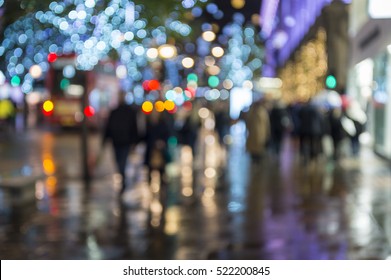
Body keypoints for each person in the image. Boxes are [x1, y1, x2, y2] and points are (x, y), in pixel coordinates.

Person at [102, 91, 139, 195]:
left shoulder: (129, 112)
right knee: (118, 161)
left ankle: (122, 179)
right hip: (116, 141)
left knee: (122, 161)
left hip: (125, 141)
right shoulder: (115, 112)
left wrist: (134, 142)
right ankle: (122, 176)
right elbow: (108, 127)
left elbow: (134, 127)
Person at [244, 98, 270, 162]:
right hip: (257, 134)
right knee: (256, 151)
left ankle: (256, 162)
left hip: (258, 134)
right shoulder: (261, 112)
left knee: (257, 151)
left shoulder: (257, 112)